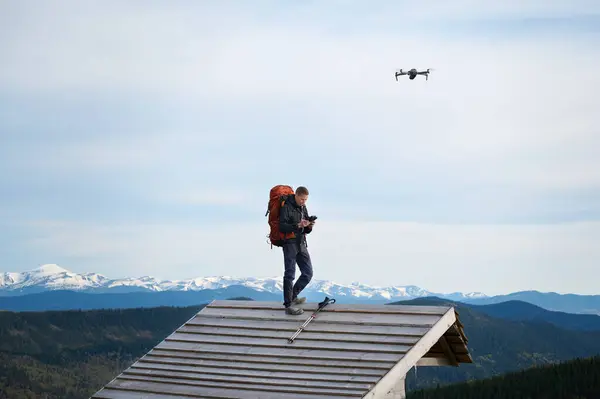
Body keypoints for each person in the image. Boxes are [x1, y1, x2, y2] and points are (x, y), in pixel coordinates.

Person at [278, 186, 315, 315]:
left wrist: (309, 225)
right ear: (296, 195)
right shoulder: (286, 206)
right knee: (290, 274)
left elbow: (306, 230)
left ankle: (293, 296)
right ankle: (288, 305)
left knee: (308, 273)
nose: (304, 202)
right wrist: (298, 225)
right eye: (302, 199)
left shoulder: (303, 207)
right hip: (289, 243)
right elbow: (282, 226)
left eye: (305, 200)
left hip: (301, 242)